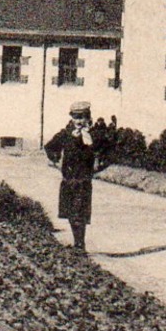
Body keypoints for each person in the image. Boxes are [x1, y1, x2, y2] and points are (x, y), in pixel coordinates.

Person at [43, 101, 111, 251]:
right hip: (68, 179)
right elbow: (49, 146)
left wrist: (99, 165)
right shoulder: (66, 134)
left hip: (83, 180)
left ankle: (80, 244)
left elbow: (108, 150)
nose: (79, 121)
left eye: (83, 117)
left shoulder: (94, 135)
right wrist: (56, 158)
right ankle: (77, 242)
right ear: (71, 118)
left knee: (79, 212)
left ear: (88, 118)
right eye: (76, 117)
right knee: (70, 213)